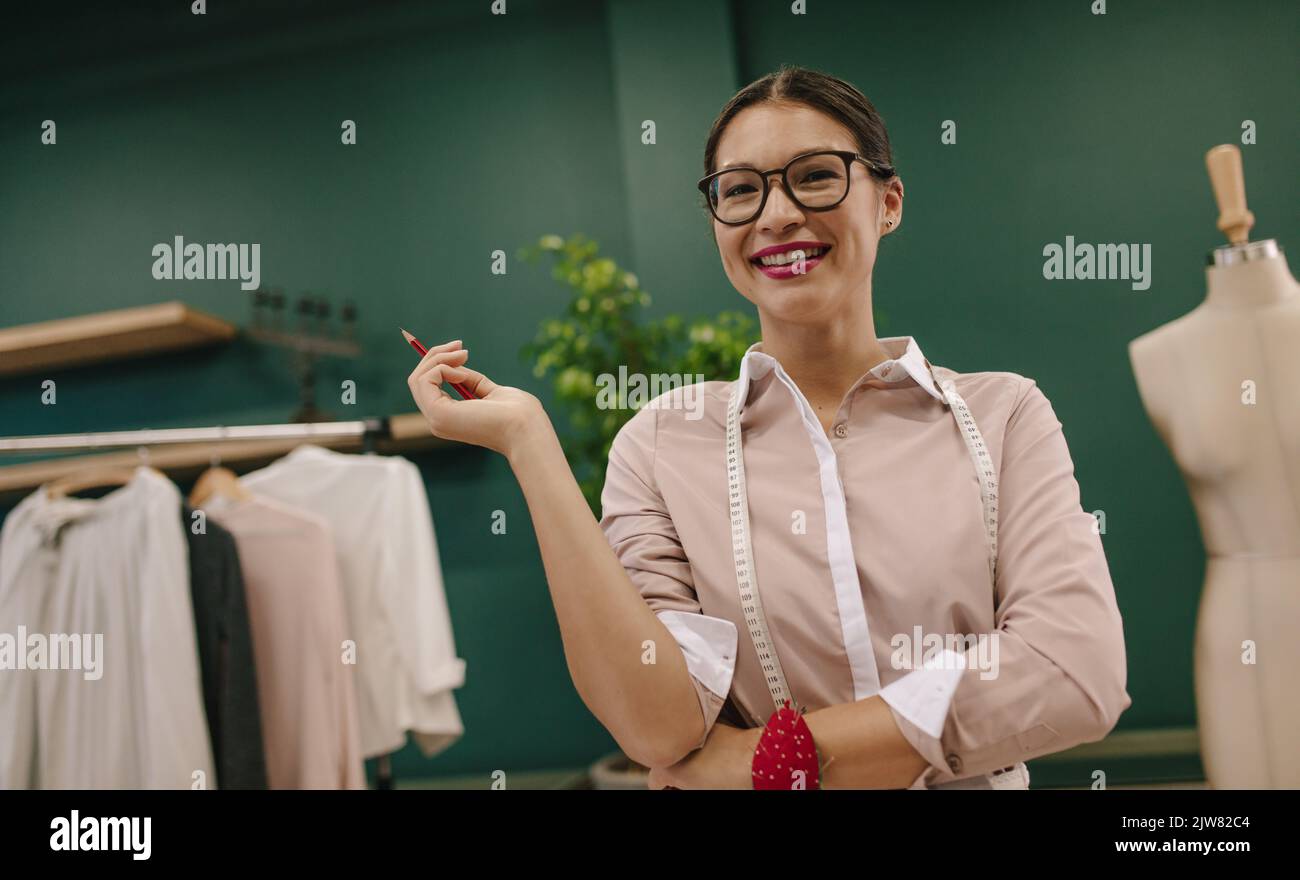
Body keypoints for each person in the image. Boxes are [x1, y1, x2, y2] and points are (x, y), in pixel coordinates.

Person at [407, 65, 1131, 790]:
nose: (776, 214)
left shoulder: (1004, 416)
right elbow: (657, 724)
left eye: (816, 176)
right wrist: (528, 442)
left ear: (889, 202)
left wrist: (755, 761)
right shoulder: (661, 443)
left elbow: (1076, 672)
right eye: (741, 190)